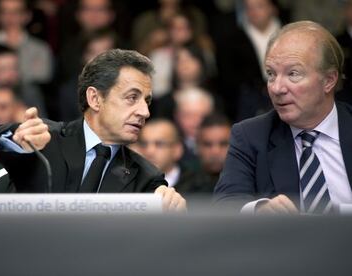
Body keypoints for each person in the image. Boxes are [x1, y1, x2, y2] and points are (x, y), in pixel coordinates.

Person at [0, 49, 186, 211]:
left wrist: (172, 206)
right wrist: (21, 142)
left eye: (147, 101)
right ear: (95, 99)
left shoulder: (146, 177)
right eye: (132, 97)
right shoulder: (47, 139)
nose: (145, 111)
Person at [214, 21, 352, 215]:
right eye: (271, 74)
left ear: (329, 80)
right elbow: (225, 205)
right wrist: (259, 210)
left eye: (293, 74)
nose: (277, 88)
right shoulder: (251, 136)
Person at [135, 119, 196, 195]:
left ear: (177, 149)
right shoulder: (129, 183)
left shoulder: (198, 186)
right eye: (144, 144)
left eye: (159, 144)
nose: (149, 151)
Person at [195, 113, 231, 193]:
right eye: (207, 144)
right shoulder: (183, 187)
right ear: (197, 146)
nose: (215, 152)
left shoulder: (248, 185)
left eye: (223, 144)